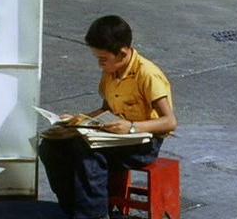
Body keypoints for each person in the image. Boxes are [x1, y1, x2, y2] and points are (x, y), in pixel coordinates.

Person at [39, 15, 177, 219]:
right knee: (51, 147)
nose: (100, 65)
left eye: (103, 59)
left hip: (143, 142)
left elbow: (169, 122)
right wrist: (78, 120)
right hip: (115, 135)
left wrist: (130, 127)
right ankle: (74, 209)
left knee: (88, 151)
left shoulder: (147, 75)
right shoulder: (111, 71)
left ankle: (95, 215)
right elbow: (106, 109)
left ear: (122, 53)